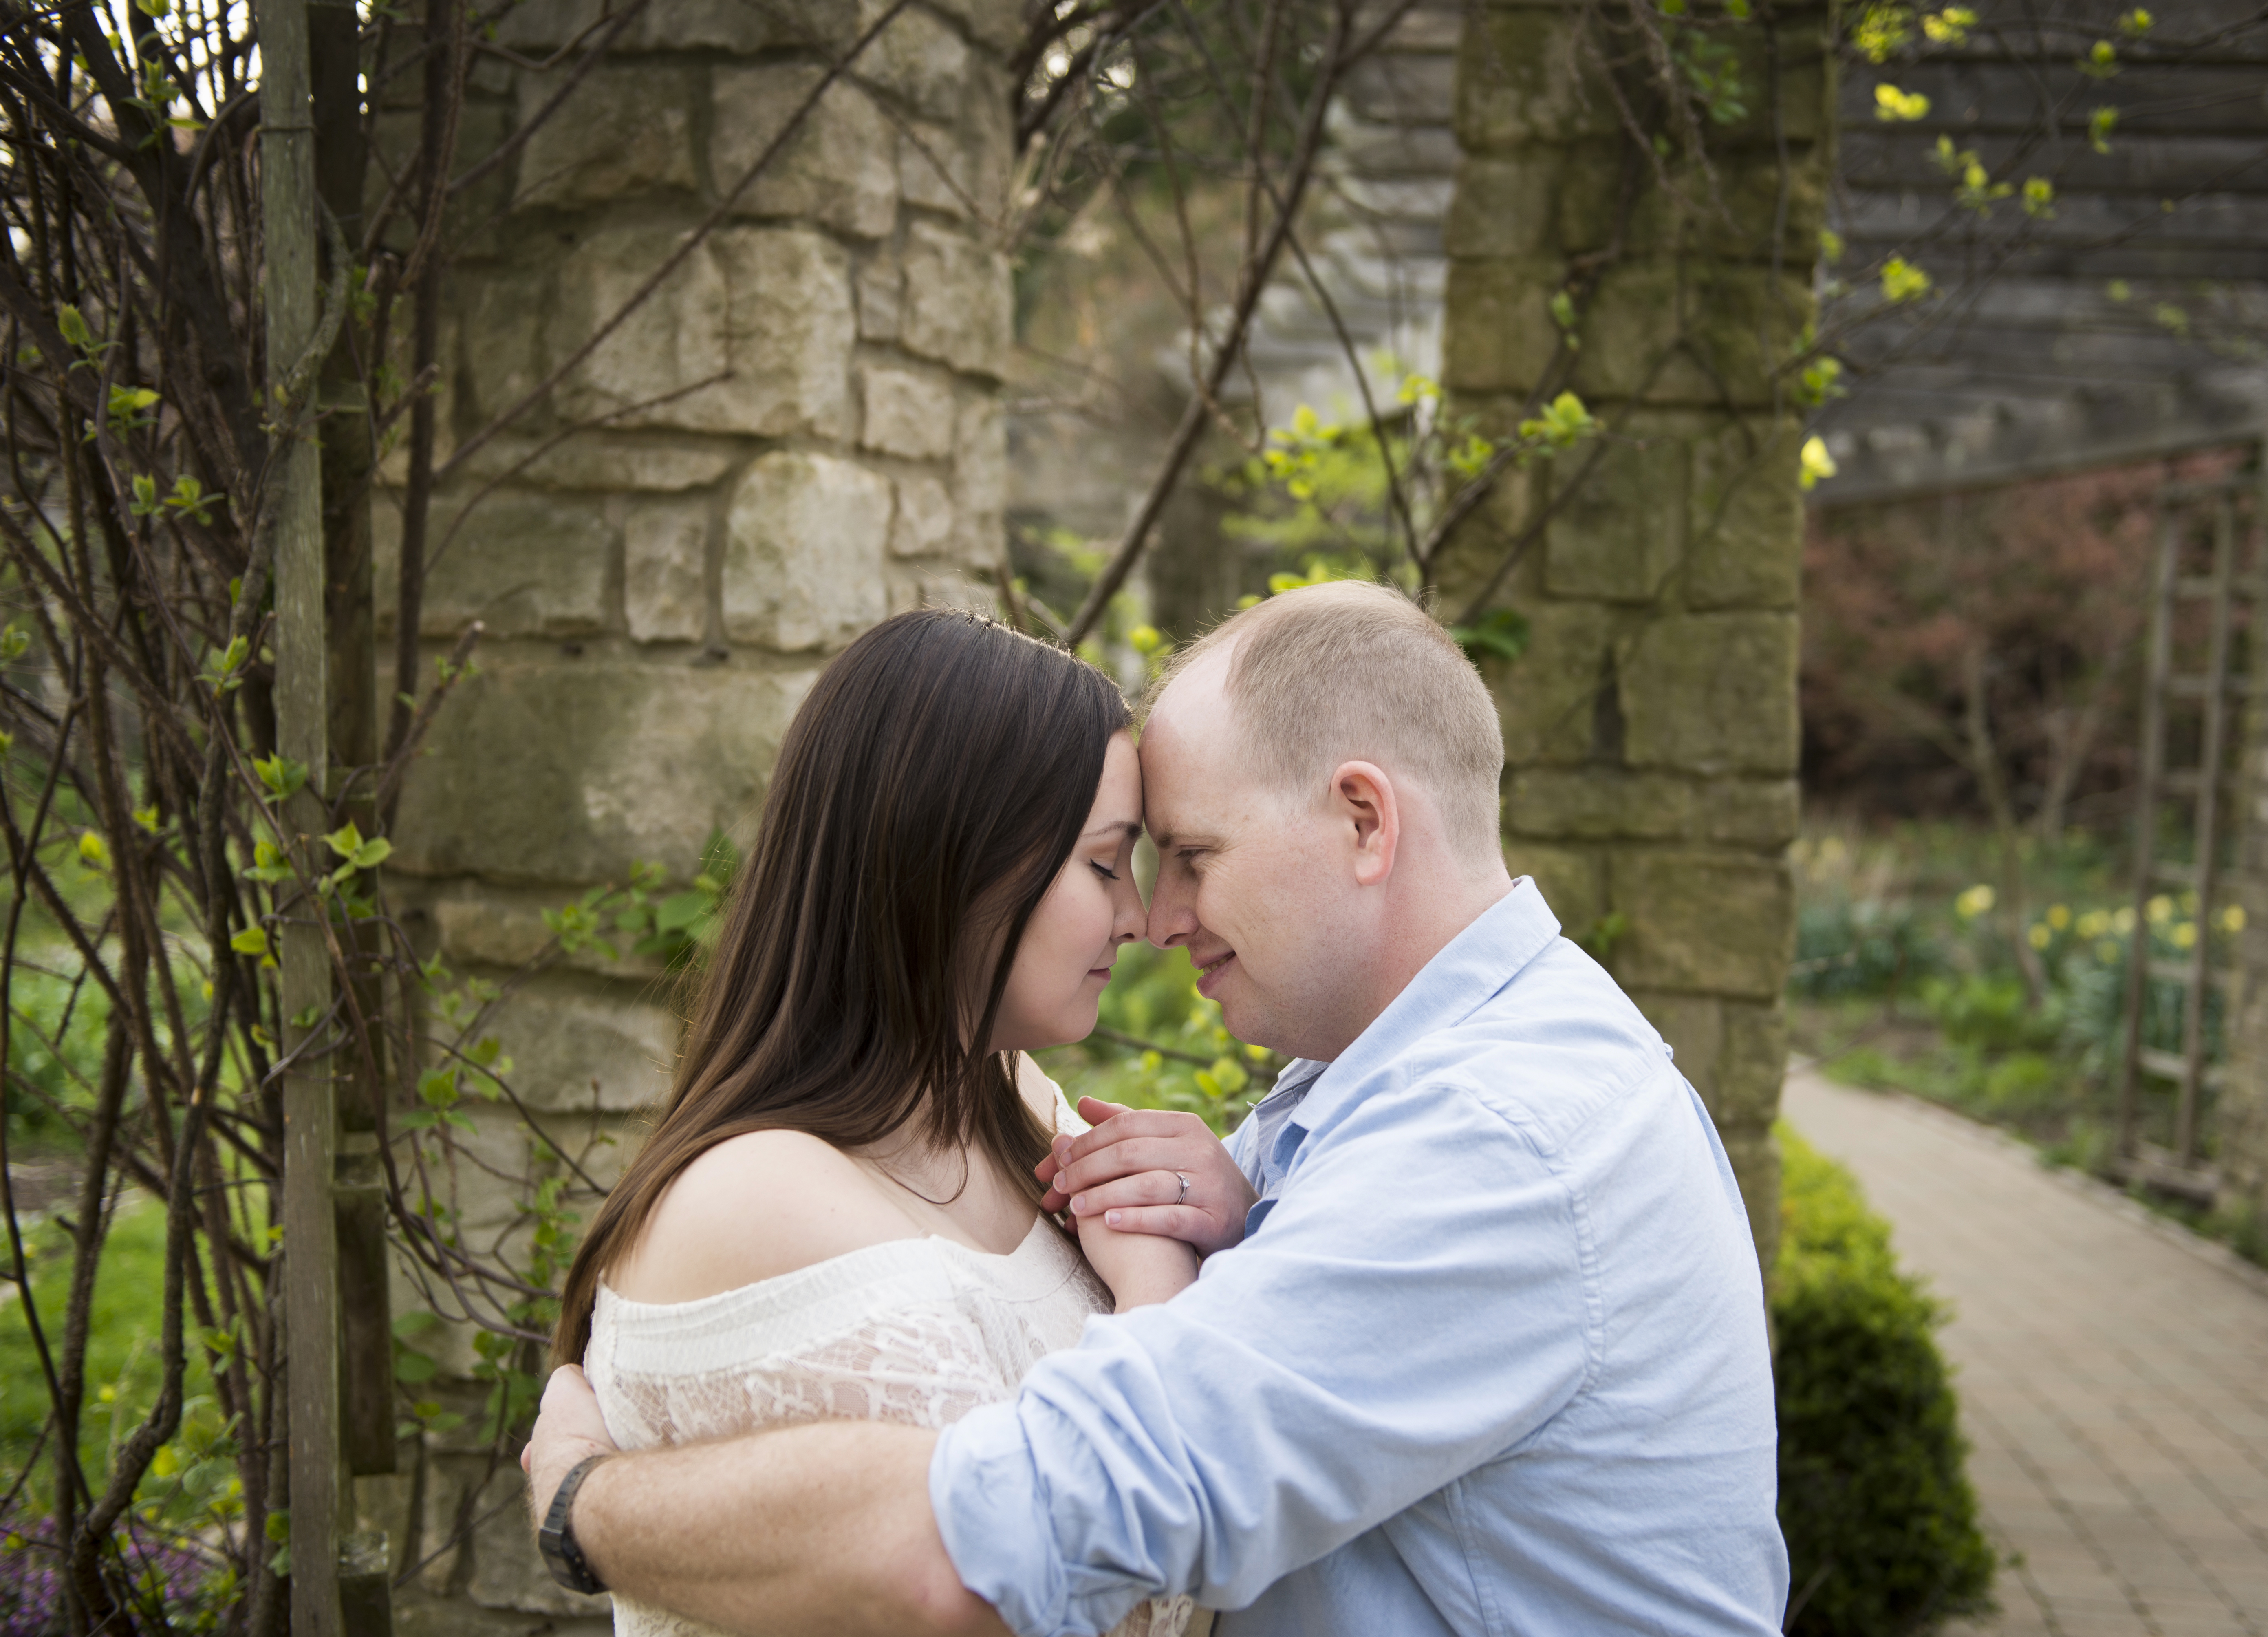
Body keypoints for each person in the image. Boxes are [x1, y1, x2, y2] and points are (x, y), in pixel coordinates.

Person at [527, 580, 1787, 1637]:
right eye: (1122, 862)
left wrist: (584, 1503)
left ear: (1363, 820)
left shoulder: (1494, 1142)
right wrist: (1257, 1220)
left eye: (1190, 853)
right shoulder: (1422, 1084)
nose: (1158, 917)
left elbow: (990, 1541)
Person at [549, 608, 1203, 1637]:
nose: (1138, 916)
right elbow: (1051, 1589)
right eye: (1102, 863)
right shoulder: (763, 1192)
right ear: (950, 858)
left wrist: (1213, 1205)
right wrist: (1161, 1282)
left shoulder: (1007, 1101)